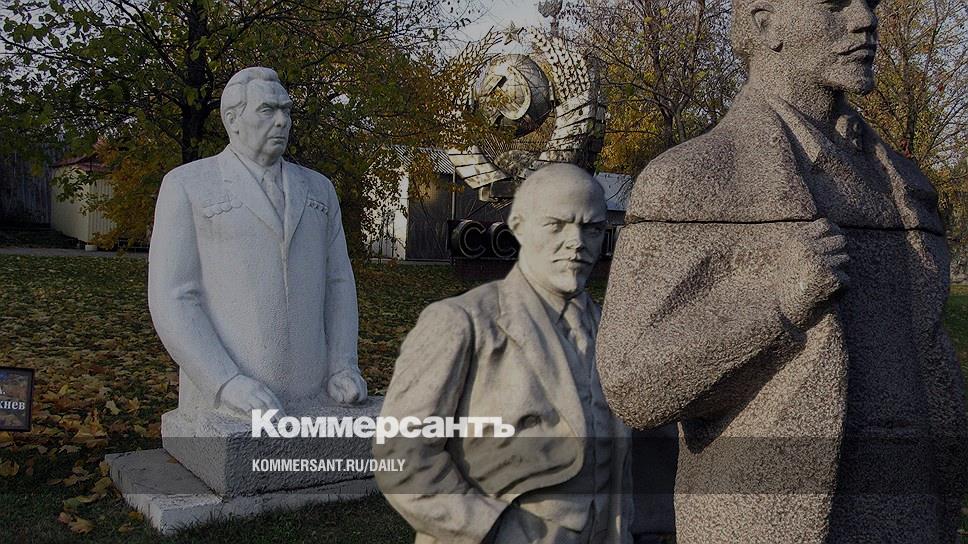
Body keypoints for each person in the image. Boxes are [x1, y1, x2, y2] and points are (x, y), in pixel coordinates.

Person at [597, 1, 968, 542]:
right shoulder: (692, 177)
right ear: (764, 22)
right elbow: (633, 384)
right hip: (772, 520)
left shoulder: (907, 185)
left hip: (917, 514)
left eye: (871, 3)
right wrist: (778, 306)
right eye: (835, 4)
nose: (865, 19)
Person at [375, 164, 631, 544]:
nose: (576, 242)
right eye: (556, 225)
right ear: (518, 226)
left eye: (592, 228)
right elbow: (402, 456)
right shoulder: (461, 322)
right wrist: (492, 528)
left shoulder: (615, 332)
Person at [148, 67, 367, 419]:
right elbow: (173, 298)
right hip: (231, 393)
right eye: (267, 110)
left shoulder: (319, 189)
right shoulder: (188, 185)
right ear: (232, 120)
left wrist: (343, 366)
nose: (282, 121)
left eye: (286, 110)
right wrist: (225, 383)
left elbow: (338, 284)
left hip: (314, 390)